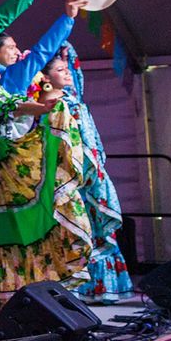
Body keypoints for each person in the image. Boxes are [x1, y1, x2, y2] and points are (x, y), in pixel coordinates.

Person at [0, 49, 93, 302]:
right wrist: (40, 108)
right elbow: (14, 107)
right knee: (4, 225)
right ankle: (1, 290)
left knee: (11, 224)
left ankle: (14, 289)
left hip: (0, 162)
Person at [47, 45, 133, 303]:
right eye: (60, 70)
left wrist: (64, 47)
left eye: (67, 69)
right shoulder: (51, 104)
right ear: (46, 76)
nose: (68, 73)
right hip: (68, 173)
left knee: (96, 227)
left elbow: (73, 63)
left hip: (91, 172)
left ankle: (101, 288)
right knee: (75, 229)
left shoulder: (75, 99)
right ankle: (75, 288)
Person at [0, 0, 87, 96]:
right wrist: (68, 18)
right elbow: (41, 52)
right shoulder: (11, 77)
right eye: (11, 48)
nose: (17, 52)